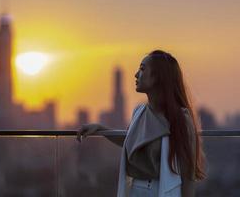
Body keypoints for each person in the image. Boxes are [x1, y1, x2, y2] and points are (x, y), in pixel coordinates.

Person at [77, 50, 206, 197]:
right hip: (135, 191)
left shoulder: (180, 118)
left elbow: (188, 175)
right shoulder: (139, 111)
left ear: (158, 77)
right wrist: (101, 129)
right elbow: (131, 141)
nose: (136, 74)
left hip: (163, 191)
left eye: (143, 69)